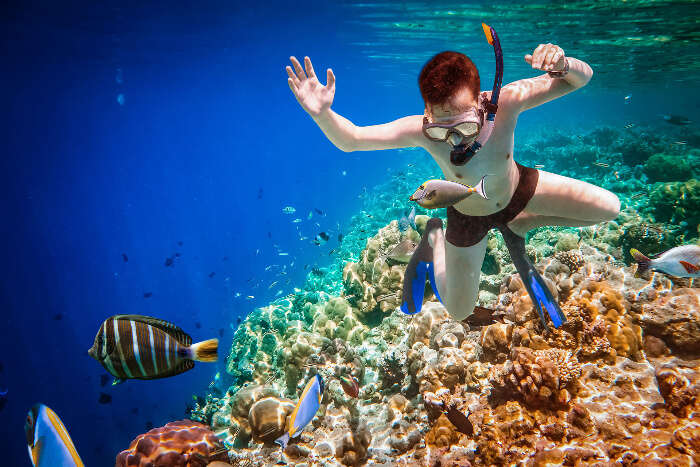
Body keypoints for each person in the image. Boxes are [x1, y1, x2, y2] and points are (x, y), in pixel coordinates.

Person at [285, 38, 620, 322]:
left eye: (466, 128)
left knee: (609, 208)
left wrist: (564, 65)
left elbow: (580, 79)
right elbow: (352, 139)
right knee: (459, 312)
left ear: (481, 104)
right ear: (427, 115)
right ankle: (434, 237)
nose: (456, 142)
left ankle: (520, 222)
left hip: (519, 190)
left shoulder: (507, 102)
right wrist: (322, 114)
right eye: (440, 130)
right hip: (466, 213)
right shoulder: (418, 129)